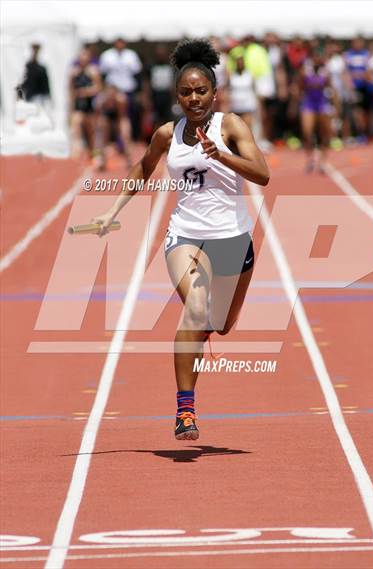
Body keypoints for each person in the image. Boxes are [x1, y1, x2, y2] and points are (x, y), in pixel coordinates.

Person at [91, 38, 269, 440]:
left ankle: (202, 334)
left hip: (233, 239)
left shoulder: (232, 126)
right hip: (185, 236)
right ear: (177, 95)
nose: (194, 98)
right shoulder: (167, 135)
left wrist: (221, 154)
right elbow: (141, 169)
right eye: (186, 92)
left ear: (214, 93)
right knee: (197, 308)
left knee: (220, 325)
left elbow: (262, 174)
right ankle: (185, 411)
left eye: (201, 91)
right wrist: (111, 210)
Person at [299, 50, 332, 172]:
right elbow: (299, 87)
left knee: (324, 133)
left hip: (322, 104)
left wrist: (334, 107)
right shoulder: (305, 71)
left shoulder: (325, 72)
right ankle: (310, 159)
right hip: (308, 104)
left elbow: (330, 88)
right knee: (307, 132)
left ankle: (323, 161)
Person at [69, 47, 102, 159]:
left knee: (90, 132)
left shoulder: (93, 71)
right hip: (78, 106)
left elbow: (98, 88)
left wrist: (85, 92)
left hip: (90, 106)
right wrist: (71, 107)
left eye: (85, 55)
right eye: (81, 56)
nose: (83, 58)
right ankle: (77, 152)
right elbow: (71, 91)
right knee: (76, 127)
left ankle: (92, 152)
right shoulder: (74, 73)